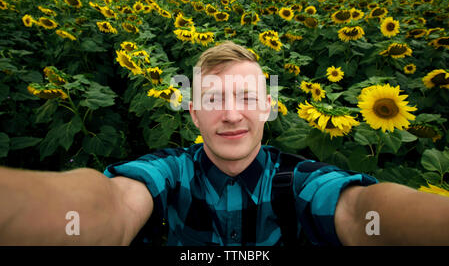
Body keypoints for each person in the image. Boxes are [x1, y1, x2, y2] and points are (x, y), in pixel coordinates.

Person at [1, 41, 449, 246]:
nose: (232, 114)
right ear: (193, 113)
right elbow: (114, 205)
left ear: (269, 108)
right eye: (213, 99)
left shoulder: (299, 181)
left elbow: (359, 211)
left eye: (248, 98)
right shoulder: (172, 172)